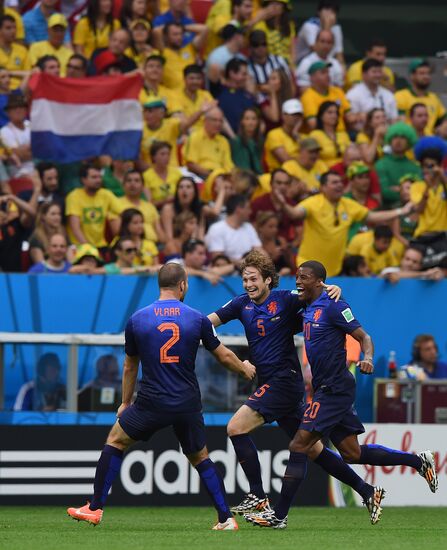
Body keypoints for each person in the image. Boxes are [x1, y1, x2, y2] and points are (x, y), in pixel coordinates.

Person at [246, 260, 438, 528]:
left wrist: (368, 357)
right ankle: (419, 461)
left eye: (304, 277)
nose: (298, 281)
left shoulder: (335, 305)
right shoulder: (307, 306)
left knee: (299, 445)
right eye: (297, 277)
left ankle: (278, 515)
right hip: (327, 388)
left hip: (334, 389)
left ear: (318, 281)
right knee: (351, 453)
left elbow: (364, 336)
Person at [67, 262, 255, 529]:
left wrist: (124, 403)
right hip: (188, 402)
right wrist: (244, 369)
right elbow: (223, 355)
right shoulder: (197, 317)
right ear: (183, 285)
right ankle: (225, 518)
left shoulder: (138, 319)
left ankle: (95, 508)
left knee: (116, 441)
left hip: (152, 401)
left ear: (160, 285)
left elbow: (130, 365)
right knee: (201, 457)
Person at [208, 251, 382, 525]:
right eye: (244, 279)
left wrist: (335, 288)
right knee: (311, 450)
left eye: (253, 278)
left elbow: (317, 294)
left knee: (235, 428)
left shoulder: (287, 299)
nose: (248, 284)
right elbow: (208, 322)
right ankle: (367, 490)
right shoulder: (241, 304)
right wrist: (189, 327)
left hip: (285, 381)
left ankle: (258, 496)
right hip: (270, 382)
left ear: (268, 280)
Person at [275, 170, 414, 277]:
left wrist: (401, 211)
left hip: (335, 271)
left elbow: (372, 216)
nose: (340, 185)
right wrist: (283, 204)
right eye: (334, 182)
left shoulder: (349, 205)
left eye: (341, 182)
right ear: (323, 187)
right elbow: (294, 213)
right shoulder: (313, 203)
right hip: (308, 268)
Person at [65, 164, 121, 251]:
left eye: (99, 177)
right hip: (79, 246)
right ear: (83, 180)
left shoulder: (106, 194)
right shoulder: (74, 196)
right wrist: (88, 248)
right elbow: (75, 227)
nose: (98, 180)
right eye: (94, 177)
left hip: (101, 245)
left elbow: (124, 212)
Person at [375, 121, 422, 209]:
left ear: (408, 141)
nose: (398, 141)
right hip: (389, 209)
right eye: (395, 137)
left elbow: (420, 191)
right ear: (390, 139)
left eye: (403, 137)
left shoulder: (415, 166)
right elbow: (385, 192)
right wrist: (406, 191)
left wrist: (398, 189)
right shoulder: (381, 164)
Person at [205, 193, 262, 265]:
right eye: (248, 208)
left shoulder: (249, 227)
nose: (250, 212)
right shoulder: (217, 229)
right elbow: (218, 259)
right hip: (225, 273)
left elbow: (259, 251)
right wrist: (240, 263)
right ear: (238, 209)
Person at [395, 59, 446, 134]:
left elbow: (444, 118)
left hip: (431, 142)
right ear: (412, 76)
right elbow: (398, 123)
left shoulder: (434, 97)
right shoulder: (400, 96)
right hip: (410, 141)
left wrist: (442, 128)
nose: (426, 76)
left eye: (428, 73)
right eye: (422, 73)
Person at [410, 136, 447, 237]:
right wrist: (427, 187)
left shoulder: (444, 183)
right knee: (410, 254)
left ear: (439, 166)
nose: (428, 169)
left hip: (444, 235)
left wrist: (442, 175)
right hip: (424, 234)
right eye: (425, 166)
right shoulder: (416, 186)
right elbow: (419, 209)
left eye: (432, 166)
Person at [301, 61, 352, 132]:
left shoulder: (337, 91)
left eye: (328, 72)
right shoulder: (308, 97)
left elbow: (350, 117)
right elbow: (313, 124)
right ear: (312, 77)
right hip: (322, 136)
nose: (328, 75)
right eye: (323, 73)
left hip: (342, 134)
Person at [250, 168, 299, 242]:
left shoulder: (293, 205)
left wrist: (290, 247)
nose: (282, 187)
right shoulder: (258, 203)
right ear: (271, 184)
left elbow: (300, 234)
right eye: (279, 183)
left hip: (286, 249)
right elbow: (250, 231)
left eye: (286, 183)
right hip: (261, 246)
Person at [346, 59, 397, 129]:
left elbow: (394, 119)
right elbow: (351, 122)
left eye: (380, 72)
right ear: (364, 74)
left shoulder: (388, 95)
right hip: (362, 135)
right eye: (374, 72)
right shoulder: (353, 95)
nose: (378, 75)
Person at [184, 107, 234, 179]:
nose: (218, 124)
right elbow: (191, 164)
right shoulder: (194, 137)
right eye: (214, 120)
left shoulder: (223, 141)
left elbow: (228, 165)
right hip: (201, 175)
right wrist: (212, 176)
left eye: (220, 121)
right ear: (205, 121)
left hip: (221, 176)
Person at [159, 22, 207, 91]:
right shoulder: (162, 51)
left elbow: (204, 29)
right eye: (175, 34)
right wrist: (170, 26)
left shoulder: (190, 48)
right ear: (166, 36)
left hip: (193, 92)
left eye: (181, 34)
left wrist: (183, 27)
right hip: (172, 95)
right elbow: (156, 31)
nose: (179, 37)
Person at [296, 0, 344, 64]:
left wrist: (342, 70)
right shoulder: (309, 26)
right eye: (326, 9)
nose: (329, 13)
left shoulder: (336, 28)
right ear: (319, 12)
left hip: (326, 63)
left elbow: (339, 55)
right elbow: (319, 52)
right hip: (304, 62)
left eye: (333, 11)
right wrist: (327, 26)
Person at [217, 58, 256, 135]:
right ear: (232, 74)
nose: (247, 77)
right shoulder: (220, 92)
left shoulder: (247, 94)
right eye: (244, 74)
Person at [0, 93, 34, 180]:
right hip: (19, 174)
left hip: (37, 169)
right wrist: (33, 147)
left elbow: (44, 148)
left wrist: (26, 149)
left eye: (21, 107)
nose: (18, 110)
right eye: (14, 108)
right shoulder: (5, 131)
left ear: (26, 110)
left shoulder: (31, 125)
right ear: (8, 113)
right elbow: (18, 155)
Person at [264, 98, 303, 171]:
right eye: (293, 114)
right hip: (279, 175)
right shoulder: (274, 134)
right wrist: (302, 159)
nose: (296, 118)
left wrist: (297, 137)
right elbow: (286, 160)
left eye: (298, 115)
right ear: (283, 116)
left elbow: (309, 160)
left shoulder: (303, 137)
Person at [309, 101, 351, 167]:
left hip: (345, 170)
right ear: (321, 116)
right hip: (325, 172)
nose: (334, 116)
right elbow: (314, 159)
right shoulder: (315, 135)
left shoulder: (343, 135)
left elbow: (350, 156)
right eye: (330, 112)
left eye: (336, 113)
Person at [253, 0, 295, 64]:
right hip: (268, 64)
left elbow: (293, 49)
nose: (274, 7)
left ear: (284, 7)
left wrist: (292, 65)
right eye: (272, 3)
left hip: (287, 64)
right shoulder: (260, 25)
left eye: (278, 4)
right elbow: (259, 50)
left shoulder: (289, 25)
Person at [175, 64, 216, 131]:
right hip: (186, 135)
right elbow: (183, 126)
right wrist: (201, 111)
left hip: (207, 133)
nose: (195, 81)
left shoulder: (206, 94)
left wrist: (232, 136)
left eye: (198, 78)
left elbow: (218, 117)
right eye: (192, 78)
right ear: (184, 79)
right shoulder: (175, 96)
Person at [142, 141, 182, 208]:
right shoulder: (146, 176)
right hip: (157, 210)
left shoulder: (177, 173)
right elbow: (149, 203)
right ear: (153, 157)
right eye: (162, 154)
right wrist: (164, 201)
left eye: (168, 154)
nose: (166, 157)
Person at [0, 14, 30, 90]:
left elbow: (29, 73)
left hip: (19, 92)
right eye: (8, 28)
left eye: (14, 28)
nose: (13, 31)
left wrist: (10, 73)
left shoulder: (22, 50)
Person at [230, 107, 264, 174]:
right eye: (247, 119)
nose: (250, 122)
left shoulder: (260, 141)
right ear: (242, 121)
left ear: (258, 122)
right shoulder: (236, 141)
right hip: (243, 177)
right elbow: (240, 166)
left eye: (254, 119)